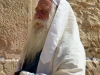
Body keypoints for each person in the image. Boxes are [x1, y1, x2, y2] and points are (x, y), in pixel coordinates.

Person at [13, 0, 86, 75]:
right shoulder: (35, 45)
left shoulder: (72, 49)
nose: (37, 15)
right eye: (37, 10)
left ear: (57, 17)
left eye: (44, 11)